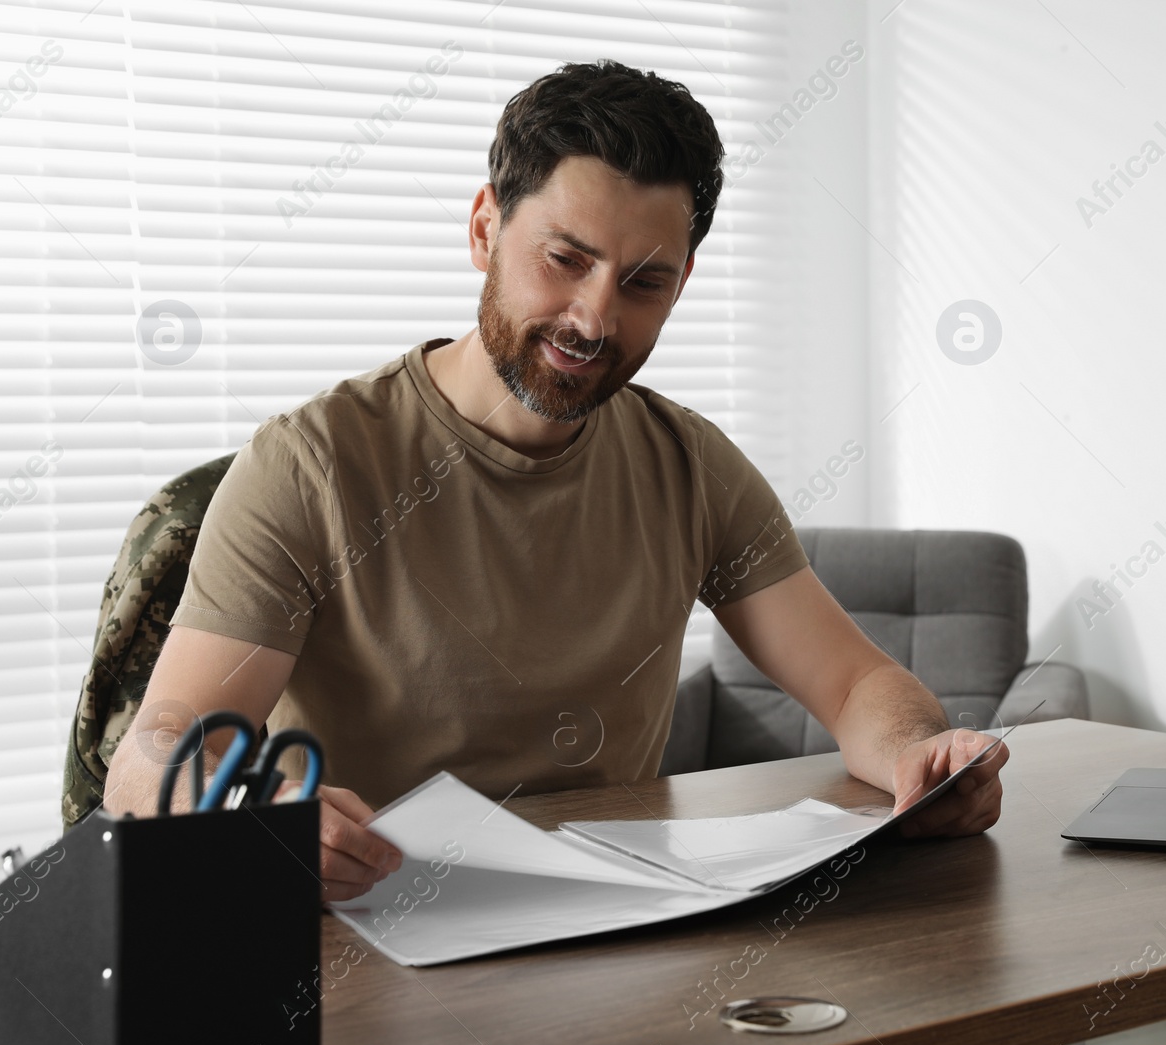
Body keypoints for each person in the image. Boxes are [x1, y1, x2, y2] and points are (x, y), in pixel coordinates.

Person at [103, 59, 1008, 901]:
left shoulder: (691, 466)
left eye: (644, 281)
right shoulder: (311, 464)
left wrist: (922, 761)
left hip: (610, 921)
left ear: (683, 281)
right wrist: (244, 813)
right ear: (485, 227)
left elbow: (856, 689)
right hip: (371, 932)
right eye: (565, 259)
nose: (595, 316)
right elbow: (152, 750)